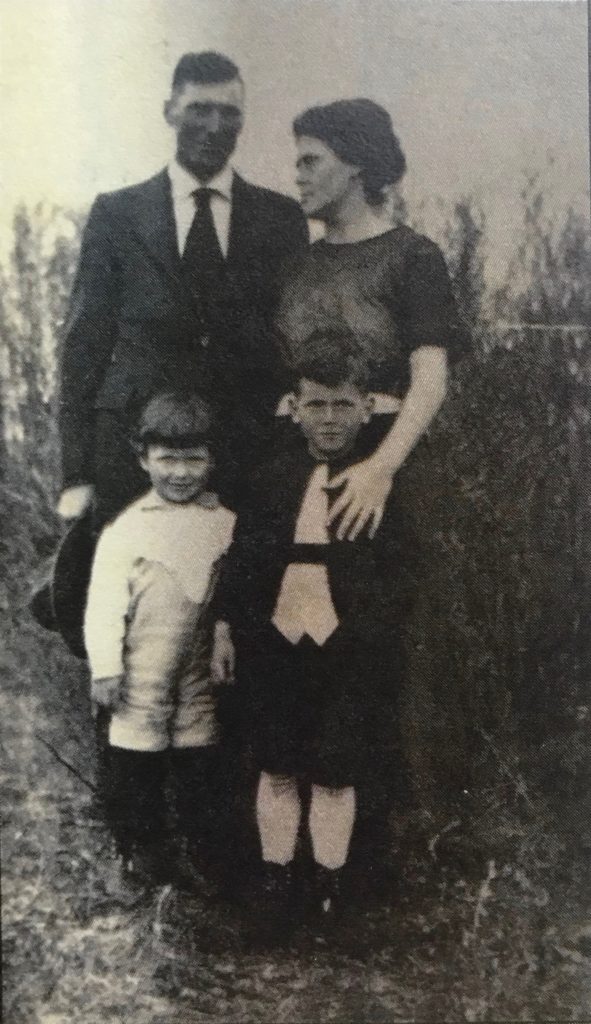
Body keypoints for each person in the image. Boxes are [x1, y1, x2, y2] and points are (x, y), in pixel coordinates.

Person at [211, 334, 411, 944]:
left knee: (334, 769)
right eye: (316, 405)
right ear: (293, 406)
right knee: (275, 764)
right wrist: (225, 627)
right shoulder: (270, 477)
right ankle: (276, 886)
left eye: (343, 405)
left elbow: (401, 573)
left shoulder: (381, 479)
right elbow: (242, 561)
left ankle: (328, 892)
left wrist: (367, 639)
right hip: (275, 639)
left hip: (348, 647)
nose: (329, 419)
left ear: (367, 408)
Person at [58, 51, 308, 525]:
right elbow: (83, 345)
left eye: (229, 113)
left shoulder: (280, 219)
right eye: (199, 109)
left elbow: (292, 341)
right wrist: (76, 475)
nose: (215, 126)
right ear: (170, 111)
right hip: (135, 453)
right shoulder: (117, 215)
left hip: (245, 455)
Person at [276, 98, 466, 540]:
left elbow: (430, 381)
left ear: (355, 165)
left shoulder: (413, 257)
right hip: (299, 461)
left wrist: (381, 470)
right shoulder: (294, 266)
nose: (298, 176)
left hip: (383, 462)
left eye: (311, 161)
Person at [84, 391, 235, 900]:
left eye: (194, 459)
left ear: (211, 460)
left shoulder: (223, 522)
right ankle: (138, 858)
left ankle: (200, 857)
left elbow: (234, 590)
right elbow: (104, 604)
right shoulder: (126, 530)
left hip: (197, 667)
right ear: (143, 458)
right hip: (141, 669)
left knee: (200, 754)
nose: (181, 472)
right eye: (167, 458)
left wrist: (225, 633)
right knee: (135, 761)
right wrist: (105, 667)